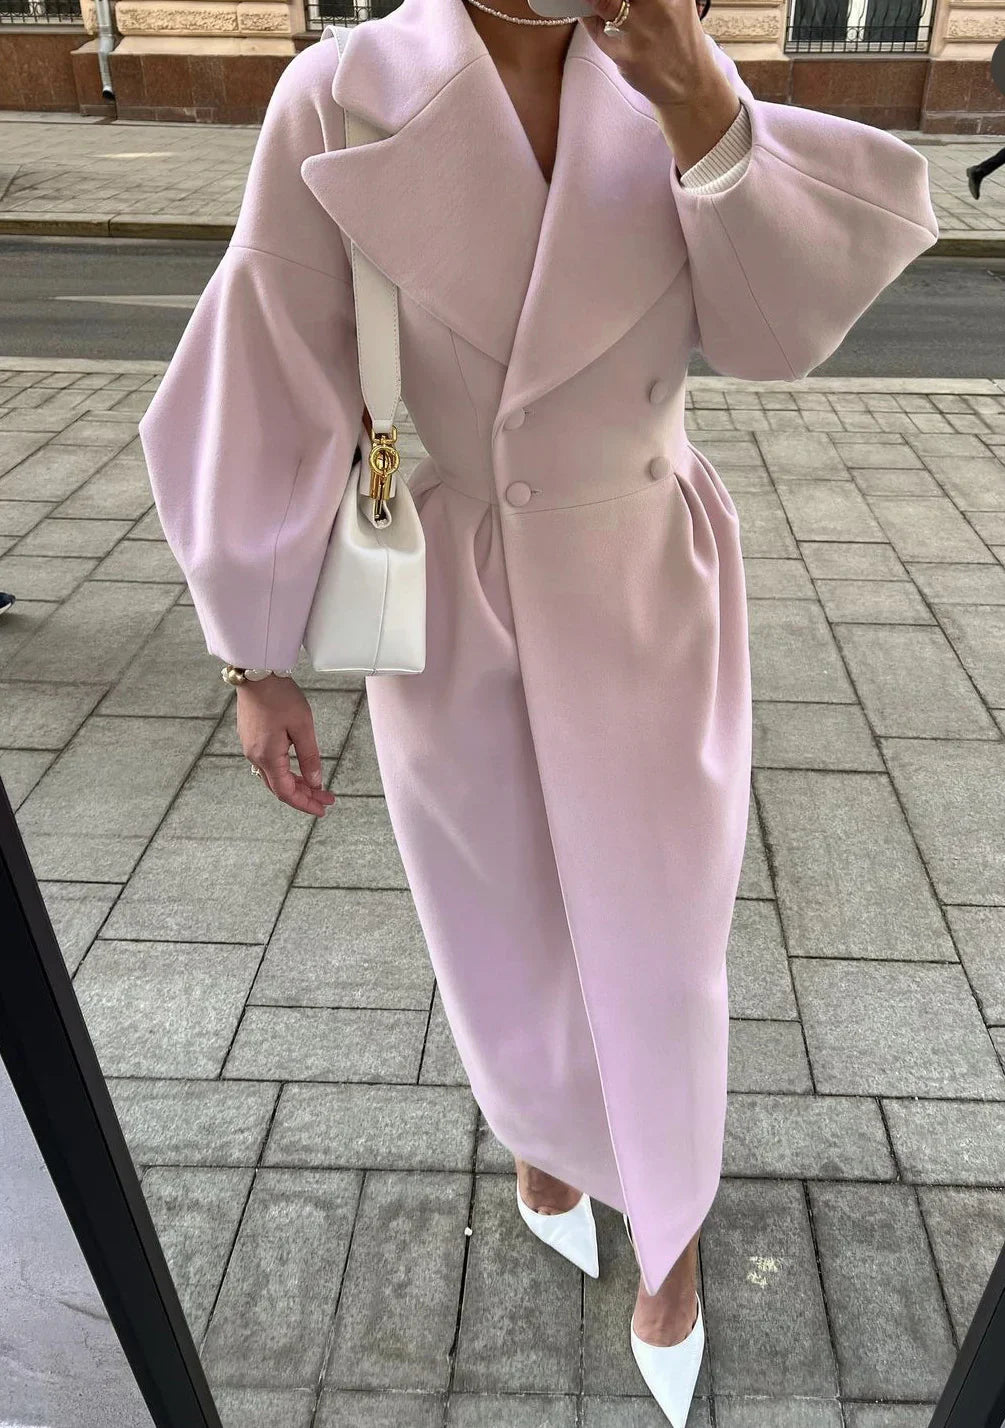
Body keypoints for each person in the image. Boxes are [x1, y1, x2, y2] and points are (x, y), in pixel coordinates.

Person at [137, 0, 939, 1421]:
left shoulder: (665, 63)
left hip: (640, 566)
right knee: (493, 915)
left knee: (659, 934)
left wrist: (699, 94)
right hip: (453, 591)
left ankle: (669, 1236)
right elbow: (268, 357)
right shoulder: (341, 92)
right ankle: (541, 1133)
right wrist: (252, 655)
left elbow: (772, 336)